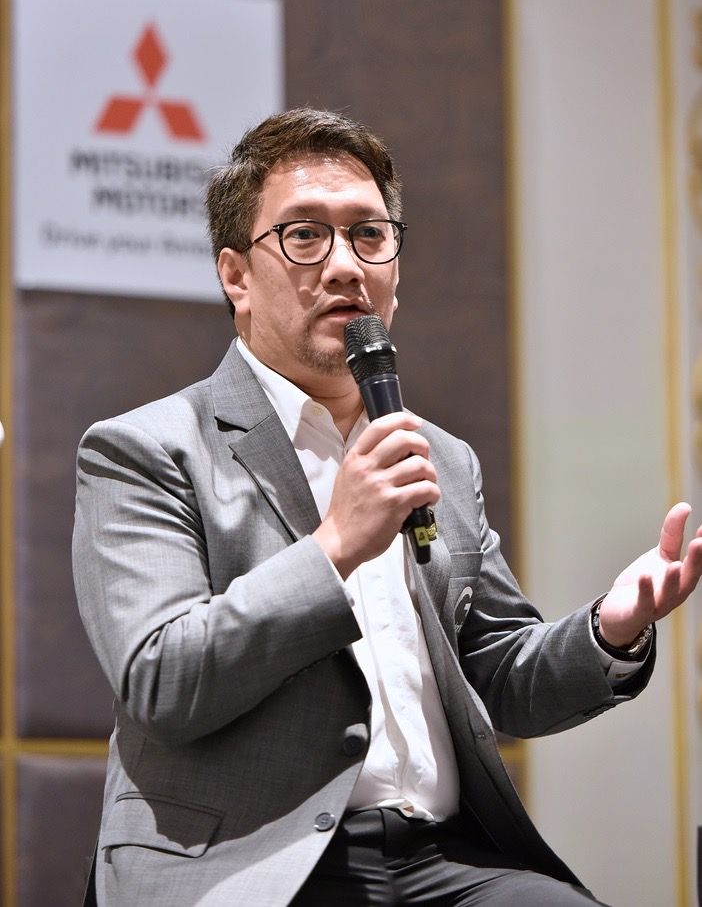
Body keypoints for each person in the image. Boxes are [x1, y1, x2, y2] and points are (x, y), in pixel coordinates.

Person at [73, 108, 702, 907]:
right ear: (235, 275)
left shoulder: (439, 456)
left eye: (369, 235)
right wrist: (336, 543)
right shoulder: (146, 449)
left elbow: (500, 675)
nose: (345, 265)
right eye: (305, 236)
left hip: (442, 861)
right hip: (250, 865)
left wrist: (611, 630)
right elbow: (164, 682)